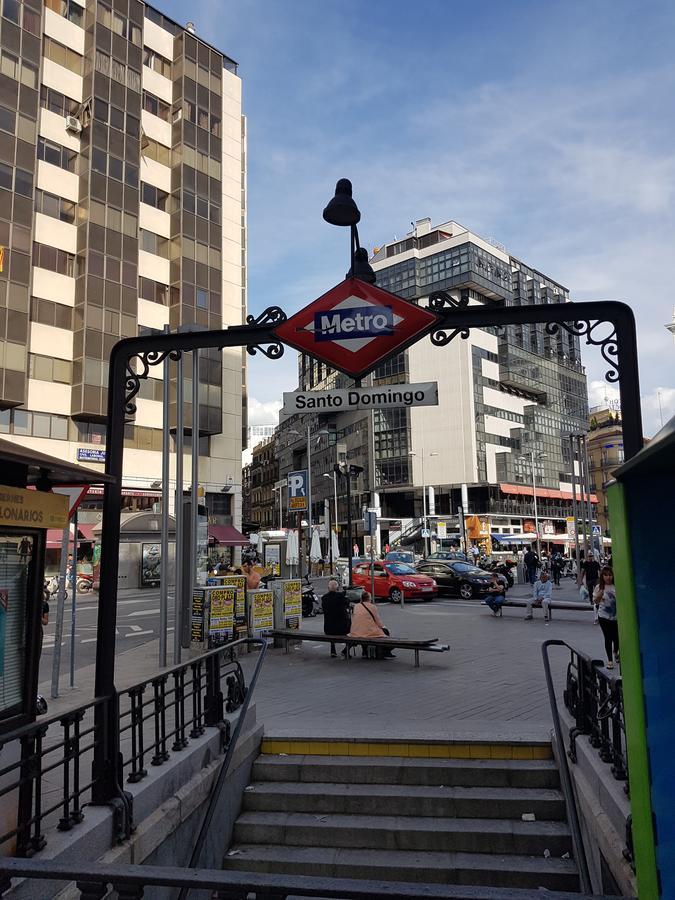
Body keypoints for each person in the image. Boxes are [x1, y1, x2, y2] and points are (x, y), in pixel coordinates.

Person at [349, 590, 394, 658]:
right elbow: (378, 621)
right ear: (369, 598)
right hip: (366, 632)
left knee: (364, 629)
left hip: (355, 631)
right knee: (385, 632)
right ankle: (383, 652)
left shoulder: (356, 606)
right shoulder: (372, 607)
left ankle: (365, 652)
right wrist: (384, 627)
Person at [594, 566, 619, 668]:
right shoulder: (599, 587)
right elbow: (596, 601)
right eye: (605, 575)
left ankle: (615, 651)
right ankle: (610, 660)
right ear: (602, 576)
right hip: (603, 616)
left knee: (616, 638)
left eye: (610, 575)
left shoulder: (616, 587)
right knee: (608, 638)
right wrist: (599, 595)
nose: (608, 577)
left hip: (616, 617)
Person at [321, 579, 351, 657]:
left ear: (328, 588)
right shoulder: (340, 596)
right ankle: (346, 650)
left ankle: (333, 650)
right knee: (351, 627)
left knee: (331, 621)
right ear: (337, 588)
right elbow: (347, 602)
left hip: (328, 629)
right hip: (342, 629)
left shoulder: (324, 598)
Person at [580, 555, 601, 621]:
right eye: (589, 556)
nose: (590, 557)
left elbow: (599, 571)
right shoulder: (585, 563)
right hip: (589, 579)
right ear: (588, 557)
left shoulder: (596, 563)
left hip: (595, 578)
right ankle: (592, 601)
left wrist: (600, 578)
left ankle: (596, 600)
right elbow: (583, 571)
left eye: (591, 556)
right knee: (590, 590)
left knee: (597, 590)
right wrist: (581, 579)